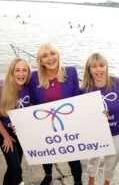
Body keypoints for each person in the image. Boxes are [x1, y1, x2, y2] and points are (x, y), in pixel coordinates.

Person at [29, 42, 82, 185]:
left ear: (58, 55)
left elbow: (77, 97)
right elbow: (31, 102)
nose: (50, 58)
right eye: (45, 56)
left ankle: (78, 182)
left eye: (53, 53)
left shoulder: (70, 71)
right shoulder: (34, 76)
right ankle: (48, 175)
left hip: (68, 124)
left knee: (74, 156)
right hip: (45, 123)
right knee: (46, 154)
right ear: (40, 60)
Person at [80, 53, 119, 185]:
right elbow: (81, 114)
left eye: (101, 66)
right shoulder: (83, 89)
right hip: (96, 132)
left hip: (118, 132)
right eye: (94, 66)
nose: (98, 70)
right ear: (88, 69)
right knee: (93, 159)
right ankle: (91, 181)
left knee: (112, 161)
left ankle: (106, 183)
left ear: (106, 67)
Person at [0, 57, 32, 185]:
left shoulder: (29, 88)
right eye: (17, 70)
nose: (21, 74)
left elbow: (31, 108)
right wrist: (6, 136)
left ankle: (18, 181)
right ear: (12, 72)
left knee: (18, 161)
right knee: (14, 167)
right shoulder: (1, 90)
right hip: (5, 131)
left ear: (28, 72)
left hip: (21, 130)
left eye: (24, 70)